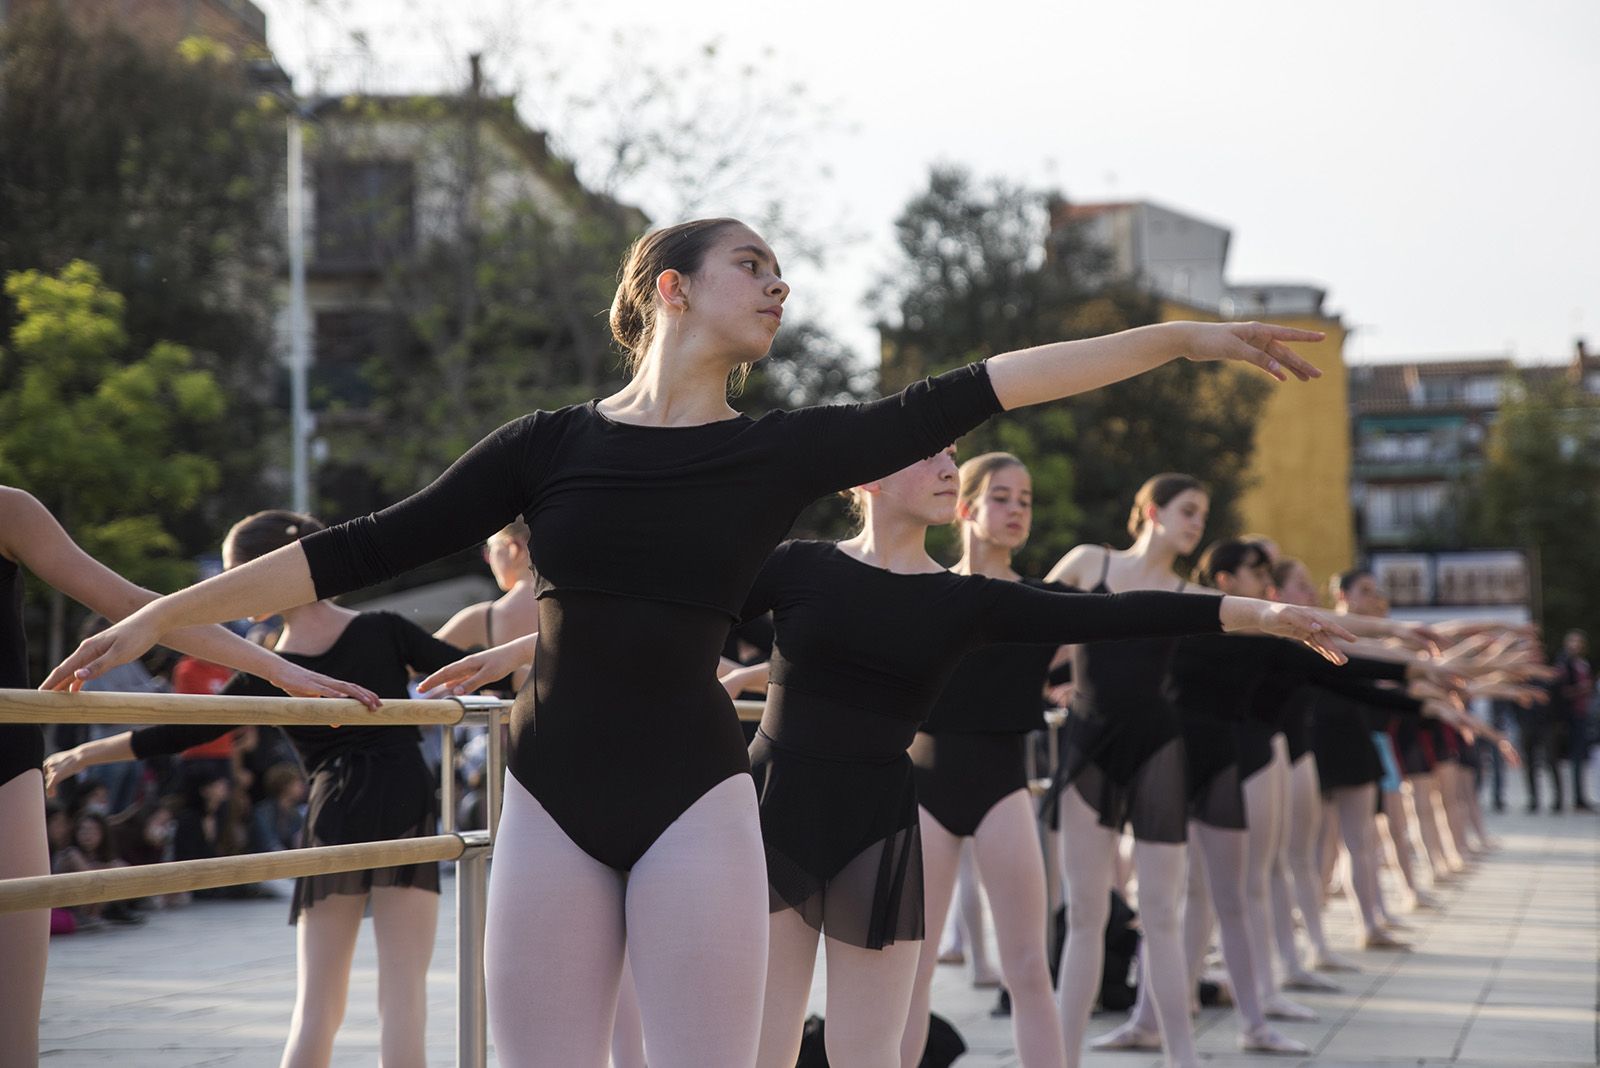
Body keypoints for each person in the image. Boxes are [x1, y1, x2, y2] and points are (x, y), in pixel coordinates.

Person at [49, 218, 1326, 1068]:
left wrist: (1179, 341)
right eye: (753, 265)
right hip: (547, 800)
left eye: (783, 274)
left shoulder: (781, 451)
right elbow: (362, 544)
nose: (780, 286)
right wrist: (162, 615)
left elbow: (989, 385)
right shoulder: (548, 446)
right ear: (672, 286)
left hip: (702, 805)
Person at [46, 510, 462, 1068]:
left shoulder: (273, 666)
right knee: (404, 994)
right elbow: (466, 673)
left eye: (233, 577)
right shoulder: (381, 629)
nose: (229, 595)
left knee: (318, 1003)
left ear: (269, 571)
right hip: (403, 793)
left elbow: (183, 729)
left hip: (334, 807)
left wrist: (86, 753)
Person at [0, 488, 375, 1068]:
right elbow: (178, 725)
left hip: (7, 764)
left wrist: (281, 670)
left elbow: (141, 607)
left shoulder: (9, 511)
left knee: (12, 1032)